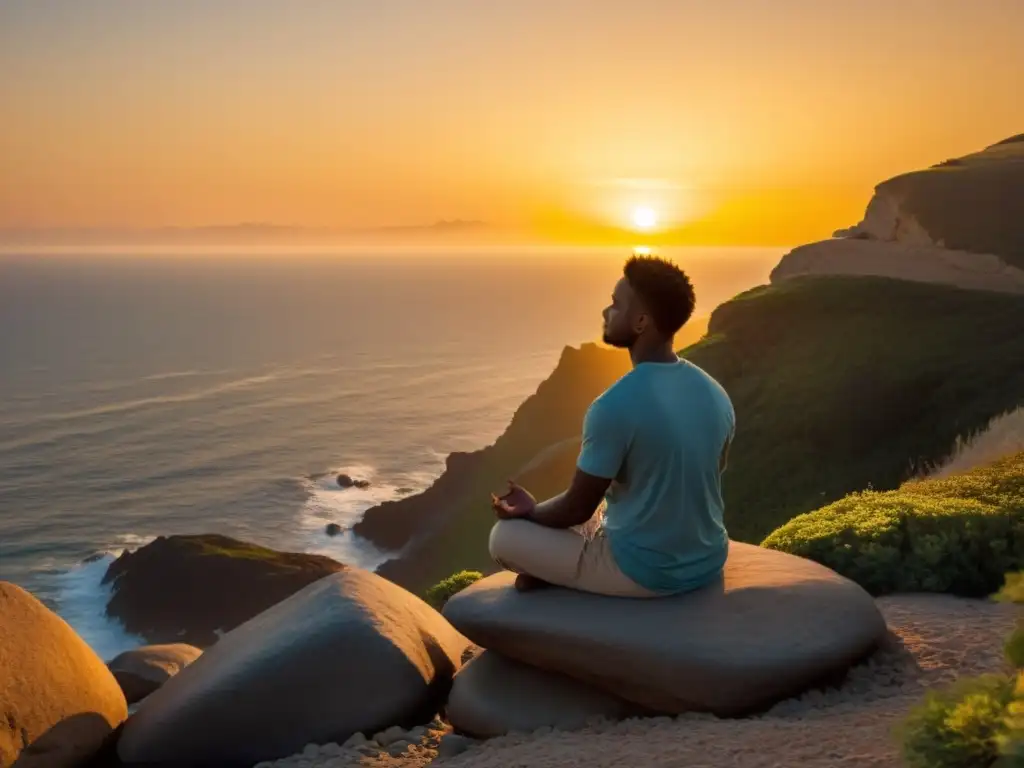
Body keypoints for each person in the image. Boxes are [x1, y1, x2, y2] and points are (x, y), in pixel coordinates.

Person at [489, 253, 735, 596]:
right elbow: (708, 470)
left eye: (616, 305)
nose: (606, 312)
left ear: (641, 322)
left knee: (503, 537)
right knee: (608, 506)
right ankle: (553, 566)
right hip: (708, 557)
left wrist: (529, 513)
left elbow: (577, 508)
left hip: (647, 573)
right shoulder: (714, 391)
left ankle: (556, 571)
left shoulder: (613, 405)